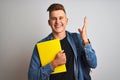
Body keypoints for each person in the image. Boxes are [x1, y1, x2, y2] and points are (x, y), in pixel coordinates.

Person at [28, 3, 97, 80]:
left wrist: (85, 41)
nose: (58, 22)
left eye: (61, 18)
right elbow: (32, 77)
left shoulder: (77, 38)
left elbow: (93, 64)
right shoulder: (40, 45)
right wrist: (53, 64)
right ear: (49, 22)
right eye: (54, 18)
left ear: (66, 21)